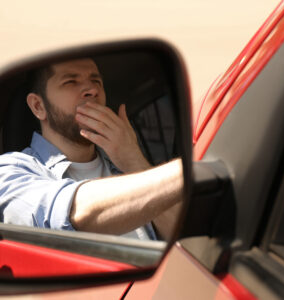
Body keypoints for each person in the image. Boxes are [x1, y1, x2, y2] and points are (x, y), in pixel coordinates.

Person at [0, 58, 183, 240]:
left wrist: (133, 159)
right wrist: (181, 172)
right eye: (71, 81)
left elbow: (183, 241)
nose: (92, 90)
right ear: (38, 106)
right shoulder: (11, 170)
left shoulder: (126, 166)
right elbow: (74, 214)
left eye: (96, 81)